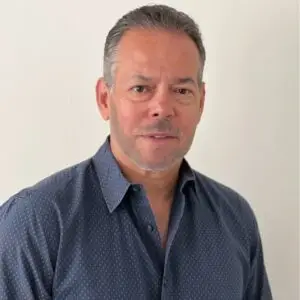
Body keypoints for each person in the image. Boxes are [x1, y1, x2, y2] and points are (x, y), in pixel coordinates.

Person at [0, 4, 272, 300]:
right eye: (141, 88)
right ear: (105, 99)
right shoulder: (36, 222)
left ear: (201, 102)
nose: (162, 109)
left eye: (181, 91)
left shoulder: (235, 220)